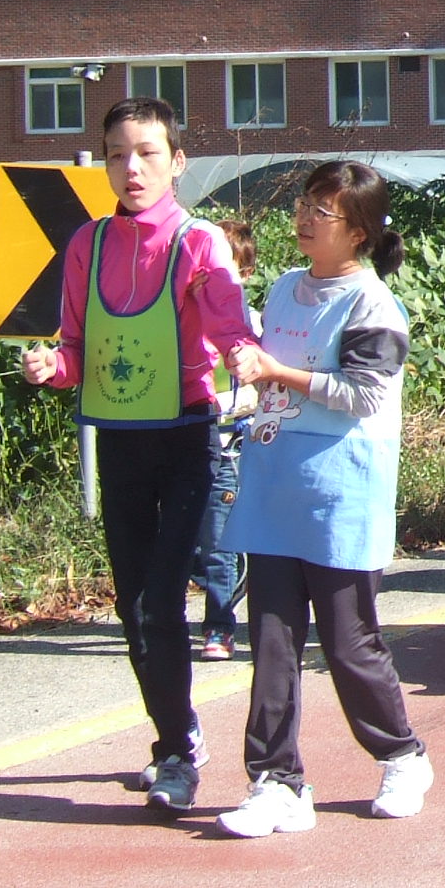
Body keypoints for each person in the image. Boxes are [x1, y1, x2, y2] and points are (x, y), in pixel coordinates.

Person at [19, 99, 257, 814]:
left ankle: (176, 756)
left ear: (177, 162)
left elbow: (228, 322)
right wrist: (48, 368)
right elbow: (75, 352)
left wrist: (244, 352)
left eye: (148, 153)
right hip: (119, 442)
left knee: (159, 600)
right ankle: (176, 731)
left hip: (188, 437)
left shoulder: (200, 242)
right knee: (134, 608)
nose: (132, 168)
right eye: (118, 154)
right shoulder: (88, 245)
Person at [214, 163, 430, 836]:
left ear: (358, 231)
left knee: (349, 641)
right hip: (275, 485)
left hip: (342, 489)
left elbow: (365, 395)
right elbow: (268, 387)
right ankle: (276, 780)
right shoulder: (282, 290)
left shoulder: (372, 305)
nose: (305, 218)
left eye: (323, 211)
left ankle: (401, 754)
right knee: (272, 640)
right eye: (305, 204)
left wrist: (278, 370)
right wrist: (244, 390)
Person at [192, 215, 264, 665]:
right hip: (183, 436)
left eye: (225, 267)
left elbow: (264, 383)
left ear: (244, 273)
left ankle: (220, 626)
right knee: (181, 541)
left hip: (228, 443)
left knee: (218, 541)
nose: (211, 277)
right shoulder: (183, 314)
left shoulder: (250, 321)